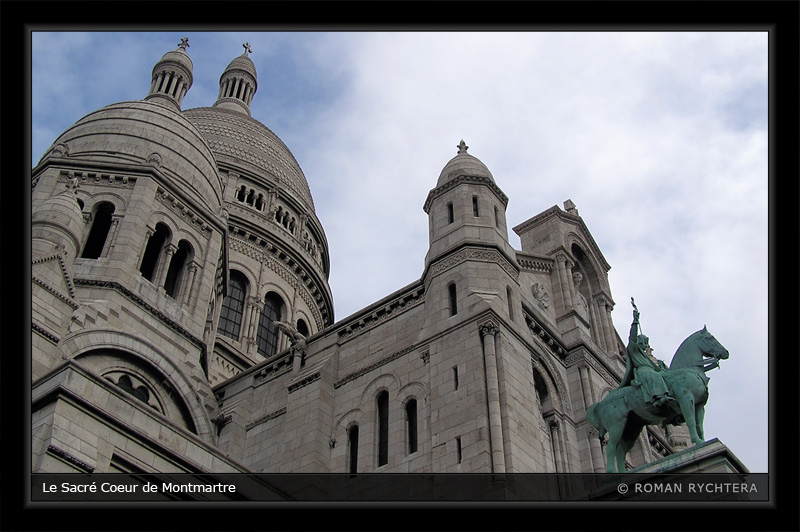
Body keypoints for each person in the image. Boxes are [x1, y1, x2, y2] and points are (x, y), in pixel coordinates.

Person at [619, 305, 671, 408]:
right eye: (643, 342)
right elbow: (632, 337)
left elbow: (655, 368)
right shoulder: (633, 348)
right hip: (642, 371)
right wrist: (635, 322)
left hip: (650, 370)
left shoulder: (644, 355)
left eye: (646, 343)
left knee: (661, 376)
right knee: (653, 375)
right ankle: (656, 398)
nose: (645, 345)